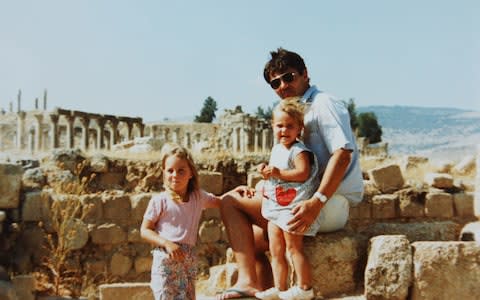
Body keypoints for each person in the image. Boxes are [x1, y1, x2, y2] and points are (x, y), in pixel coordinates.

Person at [217, 48, 364, 299]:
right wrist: (264, 188)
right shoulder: (292, 111)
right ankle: (268, 290)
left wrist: (317, 202)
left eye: (289, 77)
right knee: (251, 239)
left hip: (327, 202)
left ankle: (247, 282)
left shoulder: (323, 104)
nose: (283, 85)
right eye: (275, 82)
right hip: (300, 198)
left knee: (229, 202)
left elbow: (343, 155)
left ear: (305, 74)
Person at [140, 143, 245, 299]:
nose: (175, 175)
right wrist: (166, 243)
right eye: (170, 171)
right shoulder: (159, 201)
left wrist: (237, 191)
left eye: (181, 170)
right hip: (165, 258)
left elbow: (221, 201)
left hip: (188, 259)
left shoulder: (198, 197)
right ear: (164, 173)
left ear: (191, 173)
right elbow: (145, 230)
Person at [255, 100, 320, 300]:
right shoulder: (277, 149)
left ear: (300, 128)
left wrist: (278, 172)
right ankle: (280, 288)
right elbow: (276, 173)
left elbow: (302, 173)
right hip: (277, 206)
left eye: (290, 126)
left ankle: (305, 287)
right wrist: (265, 170)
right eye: (280, 126)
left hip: (293, 206)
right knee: (276, 249)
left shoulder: (299, 150)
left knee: (293, 247)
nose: (284, 130)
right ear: (272, 126)